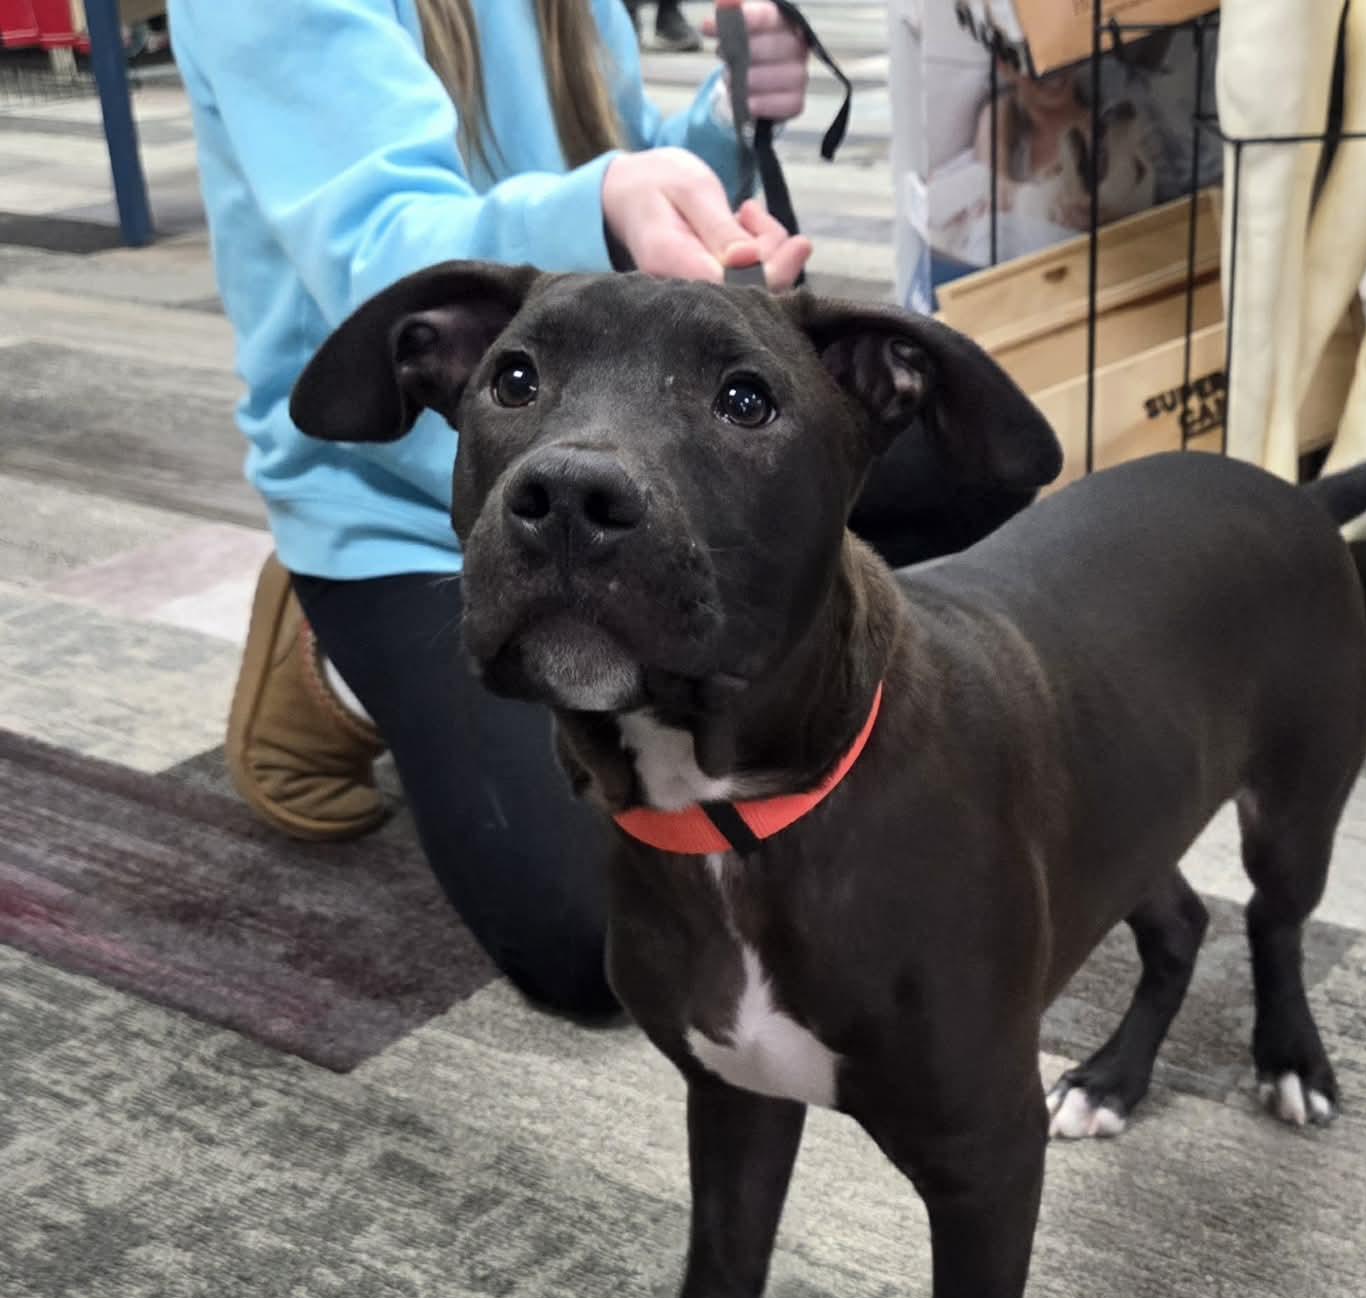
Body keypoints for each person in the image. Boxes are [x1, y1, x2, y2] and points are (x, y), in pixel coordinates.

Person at [173, 0, 1035, 1021]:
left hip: (638, 437)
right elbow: (376, 242)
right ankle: (333, 655)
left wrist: (715, 128)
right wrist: (607, 204)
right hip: (401, 509)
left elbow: (616, 153)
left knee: (973, 467)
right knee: (595, 949)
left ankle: (699, 625)